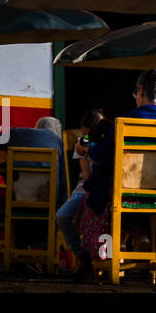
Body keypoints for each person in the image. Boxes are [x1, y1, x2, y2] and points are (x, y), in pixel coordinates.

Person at [77, 69, 156, 275]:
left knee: (93, 199)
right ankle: (146, 243)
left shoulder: (125, 122)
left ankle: (104, 258)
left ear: (141, 91)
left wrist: (89, 150)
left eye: (136, 92)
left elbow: (104, 156)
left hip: (126, 198)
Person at [0, 116, 68, 207]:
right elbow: (63, 181)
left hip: (19, 200)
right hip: (49, 204)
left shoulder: (17, 134)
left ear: (37, 127)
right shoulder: (58, 142)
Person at [57, 108, 104, 280]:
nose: (87, 139)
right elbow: (88, 178)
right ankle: (81, 254)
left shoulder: (109, 141)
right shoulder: (82, 143)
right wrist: (85, 152)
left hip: (106, 187)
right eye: (85, 135)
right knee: (62, 216)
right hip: (86, 187)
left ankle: (104, 259)